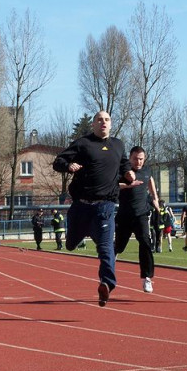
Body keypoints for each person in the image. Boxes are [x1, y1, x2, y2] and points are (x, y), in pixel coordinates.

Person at [52, 110, 138, 307]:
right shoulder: (83, 143)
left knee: (107, 247)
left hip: (105, 207)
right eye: (99, 120)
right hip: (81, 206)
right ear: (93, 124)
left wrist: (129, 173)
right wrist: (69, 166)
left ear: (111, 123)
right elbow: (58, 161)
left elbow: (123, 163)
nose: (103, 123)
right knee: (71, 244)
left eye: (107, 120)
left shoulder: (118, 145)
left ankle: (106, 283)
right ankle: (81, 234)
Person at [114, 146, 159, 293]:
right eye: (135, 159)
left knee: (145, 242)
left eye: (141, 159)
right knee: (119, 246)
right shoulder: (123, 172)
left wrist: (155, 198)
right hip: (125, 215)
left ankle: (147, 278)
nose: (138, 162)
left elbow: (150, 181)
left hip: (141, 214)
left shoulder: (147, 171)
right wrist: (128, 185)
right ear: (130, 158)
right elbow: (112, 187)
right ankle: (107, 269)